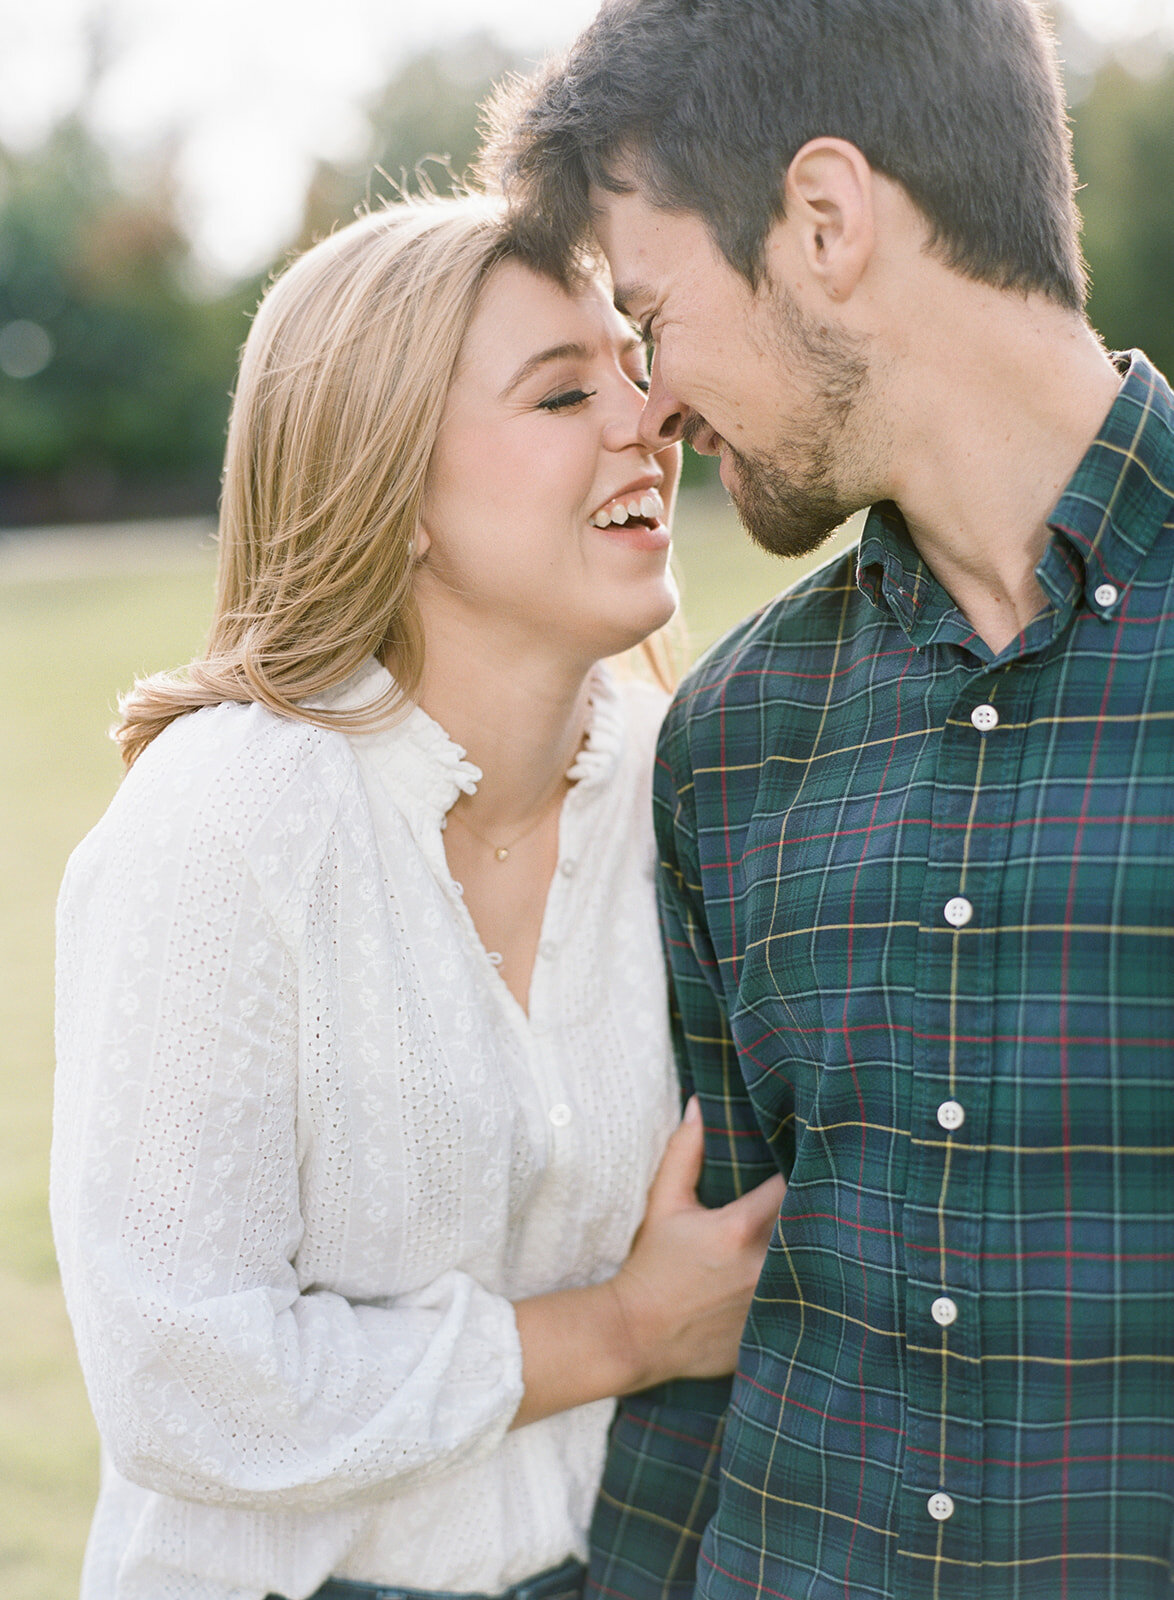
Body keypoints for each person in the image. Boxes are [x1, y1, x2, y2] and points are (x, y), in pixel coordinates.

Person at [486, 0, 1174, 1595]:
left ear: (822, 222)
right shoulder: (732, 732)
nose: (649, 403)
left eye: (651, 315)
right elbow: (702, 1349)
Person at [50, 193, 786, 1600]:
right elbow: (184, 1384)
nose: (649, 417)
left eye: (631, 365)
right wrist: (623, 1330)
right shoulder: (226, 822)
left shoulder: (678, 782)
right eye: (564, 391)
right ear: (391, 492)